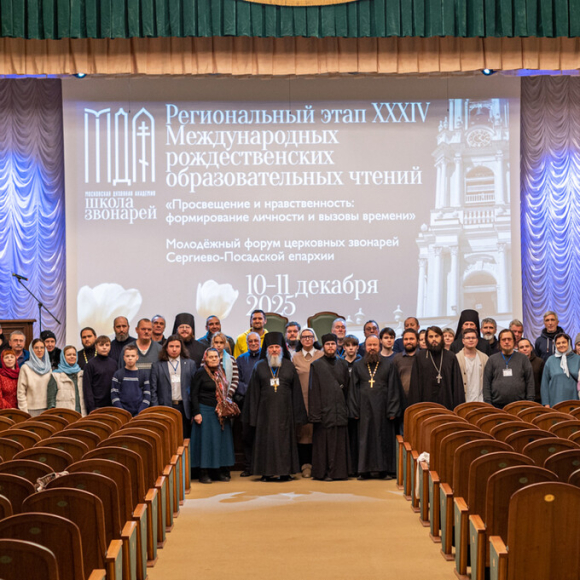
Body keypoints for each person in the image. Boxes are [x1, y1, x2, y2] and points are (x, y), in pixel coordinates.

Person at [245, 332, 307, 481]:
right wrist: (253, 416)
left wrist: (298, 415)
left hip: (286, 412)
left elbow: (296, 391)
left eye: (277, 347)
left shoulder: (289, 366)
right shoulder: (259, 366)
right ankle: (266, 473)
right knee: (266, 442)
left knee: (285, 442)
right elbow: (253, 393)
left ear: (282, 349)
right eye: (271, 347)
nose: (274, 350)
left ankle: (285, 472)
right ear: (266, 349)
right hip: (264, 414)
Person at [348, 335, 401, 479]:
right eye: (369, 345)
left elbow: (394, 388)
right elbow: (353, 389)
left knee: (382, 438)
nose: (372, 348)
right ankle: (363, 470)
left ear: (379, 346)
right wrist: (354, 409)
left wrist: (392, 410)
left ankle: (383, 470)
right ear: (365, 347)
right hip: (363, 409)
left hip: (383, 409)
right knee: (364, 439)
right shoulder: (358, 365)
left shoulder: (389, 364)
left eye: (375, 345)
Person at [308, 333, 350, 481]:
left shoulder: (343, 364)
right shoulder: (316, 365)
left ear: (337, 345)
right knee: (324, 444)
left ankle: (339, 472)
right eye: (327, 344)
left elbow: (347, 389)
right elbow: (313, 391)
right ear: (323, 346)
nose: (330, 347)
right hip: (324, 412)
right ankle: (324, 472)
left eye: (333, 344)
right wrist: (315, 414)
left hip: (340, 410)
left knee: (339, 444)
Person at [190, 347, 235, 483]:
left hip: (220, 412)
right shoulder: (200, 372)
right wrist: (196, 413)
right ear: (205, 358)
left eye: (216, 357)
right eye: (211, 357)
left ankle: (218, 471)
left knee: (220, 443)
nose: (214, 359)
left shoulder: (221, 371)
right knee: (207, 443)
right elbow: (194, 394)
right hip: (205, 411)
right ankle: (204, 472)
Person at [408, 326, 465, 410]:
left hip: (447, 405)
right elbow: (415, 385)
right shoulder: (420, 356)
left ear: (441, 338)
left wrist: (458, 409)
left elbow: (457, 385)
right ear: (427, 339)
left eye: (436, 336)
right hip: (425, 405)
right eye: (431, 337)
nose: (434, 339)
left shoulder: (450, 356)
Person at [150, 335, 196, 440]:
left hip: (184, 408)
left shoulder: (190, 364)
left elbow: (194, 389)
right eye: (171, 346)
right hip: (165, 407)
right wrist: (156, 410)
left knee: (184, 439)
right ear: (166, 348)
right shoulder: (157, 365)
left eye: (177, 346)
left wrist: (195, 410)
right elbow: (153, 390)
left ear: (181, 348)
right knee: (167, 439)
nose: (174, 349)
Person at [292, 327, 323, 478]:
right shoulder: (295, 357)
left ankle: (318, 464)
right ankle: (305, 464)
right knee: (304, 433)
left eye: (310, 336)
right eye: (304, 337)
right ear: (300, 339)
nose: (307, 339)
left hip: (319, 400)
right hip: (302, 400)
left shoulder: (321, 355)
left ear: (314, 338)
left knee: (318, 432)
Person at [483, 330, 535, 409]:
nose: (507, 342)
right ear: (499, 342)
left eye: (509, 339)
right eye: (504, 340)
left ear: (514, 341)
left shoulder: (523, 359)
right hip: (496, 406)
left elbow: (530, 382)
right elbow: (486, 383)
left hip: (520, 406)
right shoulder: (492, 359)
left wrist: (530, 402)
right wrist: (488, 404)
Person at [235, 332, 262, 477]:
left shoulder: (266, 358)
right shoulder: (240, 359)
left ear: (260, 342)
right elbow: (236, 380)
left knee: (262, 434)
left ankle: (262, 466)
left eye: (256, 341)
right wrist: (250, 390)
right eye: (250, 341)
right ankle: (248, 466)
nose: (253, 343)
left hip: (263, 402)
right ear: (246, 343)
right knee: (247, 434)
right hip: (246, 401)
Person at [391, 329, 419, 435]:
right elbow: (393, 381)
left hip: (419, 402)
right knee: (403, 435)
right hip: (402, 403)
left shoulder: (423, 356)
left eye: (411, 339)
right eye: (406, 339)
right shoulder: (397, 358)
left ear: (417, 341)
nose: (408, 341)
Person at [540, 333, 580, 407]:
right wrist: (546, 403)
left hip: (575, 400)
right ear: (555, 345)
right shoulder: (550, 360)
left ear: (569, 343)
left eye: (564, 342)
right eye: (558, 343)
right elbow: (544, 384)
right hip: (555, 401)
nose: (561, 345)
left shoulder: (578, 359)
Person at [111, 344, 151, 416]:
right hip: (122, 414)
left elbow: (147, 395)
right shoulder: (118, 374)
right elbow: (114, 395)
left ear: (137, 357)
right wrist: (122, 412)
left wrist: (140, 412)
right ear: (123, 358)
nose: (130, 358)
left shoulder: (143, 375)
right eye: (127, 356)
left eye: (133, 356)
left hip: (139, 414)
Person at [47, 346, 86, 415]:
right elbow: (51, 399)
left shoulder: (82, 374)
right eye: (68, 355)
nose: (72, 357)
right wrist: (53, 413)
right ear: (63, 357)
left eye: (74, 354)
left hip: (81, 414)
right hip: (63, 415)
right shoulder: (56, 375)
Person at [17, 338, 52, 416]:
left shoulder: (48, 368)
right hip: (30, 410)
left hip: (47, 409)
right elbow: (21, 392)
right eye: (36, 348)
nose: (39, 350)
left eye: (42, 347)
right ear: (32, 350)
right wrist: (24, 412)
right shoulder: (25, 368)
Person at [83, 335, 117, 413]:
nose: (104, 347)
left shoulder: (114, 363)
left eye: (107, 345)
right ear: (96, 347)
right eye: (101, 345)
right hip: (96, 406)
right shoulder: (90, 364)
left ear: (110, 347)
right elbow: (87, 388)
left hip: (112, 405)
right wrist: (91, 408)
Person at [455, 328, 489, 402]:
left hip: (481, 400)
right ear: (463, 341)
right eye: (468, 338)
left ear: (477, 340)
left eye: (473, 338)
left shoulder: (484, 358)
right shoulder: (456, 358)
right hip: (463, 400)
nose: (471, 340)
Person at [518, 338, 545, 403]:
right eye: (521, 347)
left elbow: (544, 383)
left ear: (531, 348)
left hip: (537, 399)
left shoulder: (539, 362)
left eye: (527, 346)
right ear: (518, 350)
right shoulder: (515, 363)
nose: (525, 349)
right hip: (519, 399)